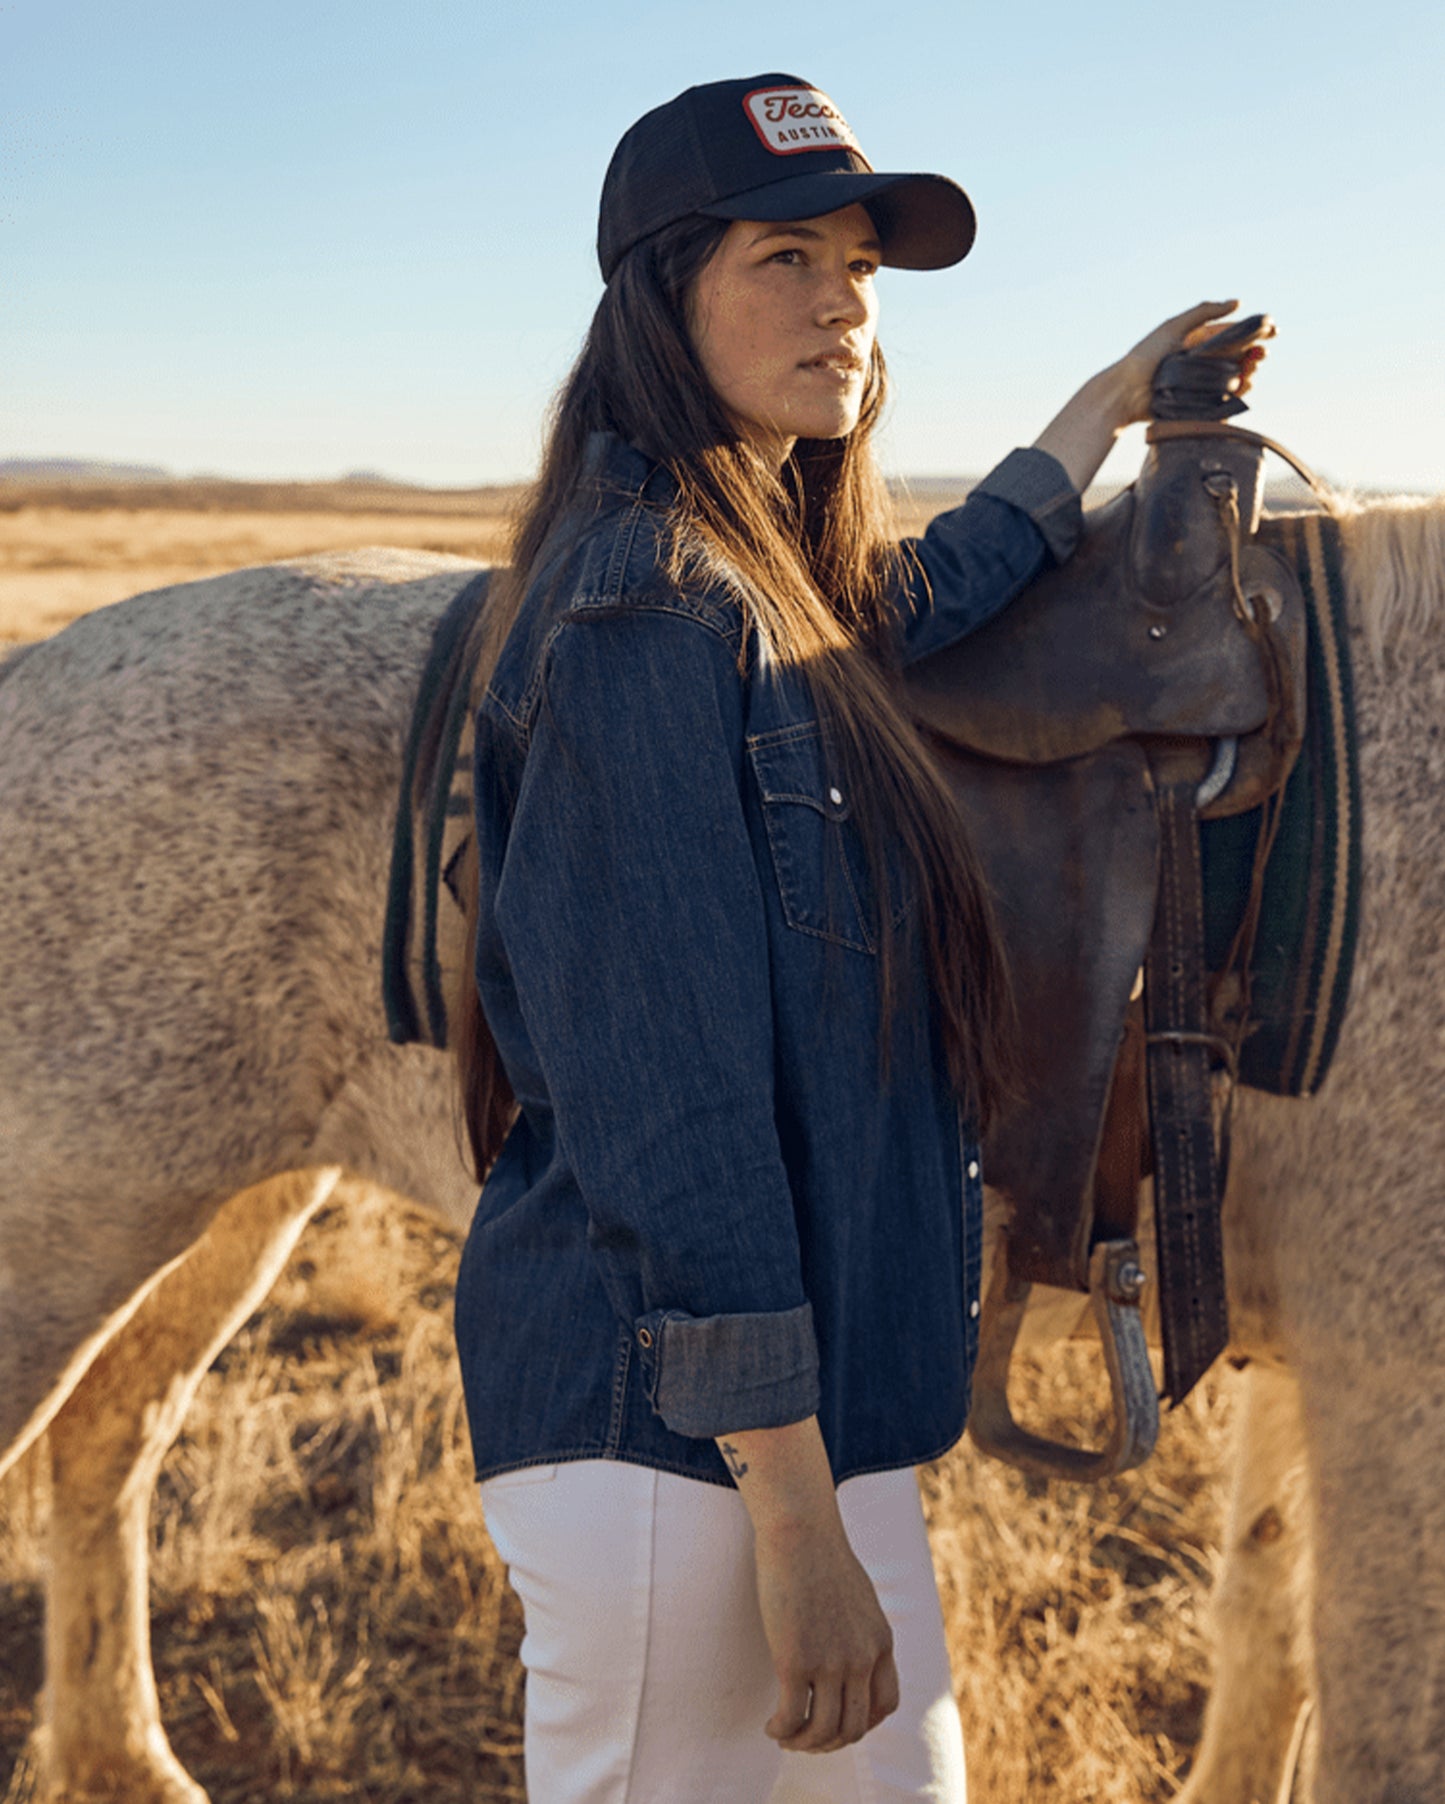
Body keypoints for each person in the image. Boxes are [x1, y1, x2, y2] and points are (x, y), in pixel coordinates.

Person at [449, 72, 1269, 1803]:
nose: (840, 303)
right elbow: (673, 1122)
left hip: (802, 1433)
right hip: (681, 1451)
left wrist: (1092, 416)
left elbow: (917, 596)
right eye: (782, 258)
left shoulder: (766, 576)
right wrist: (800, 1525)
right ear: (659, 299)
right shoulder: (638, 619)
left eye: (859, 268)